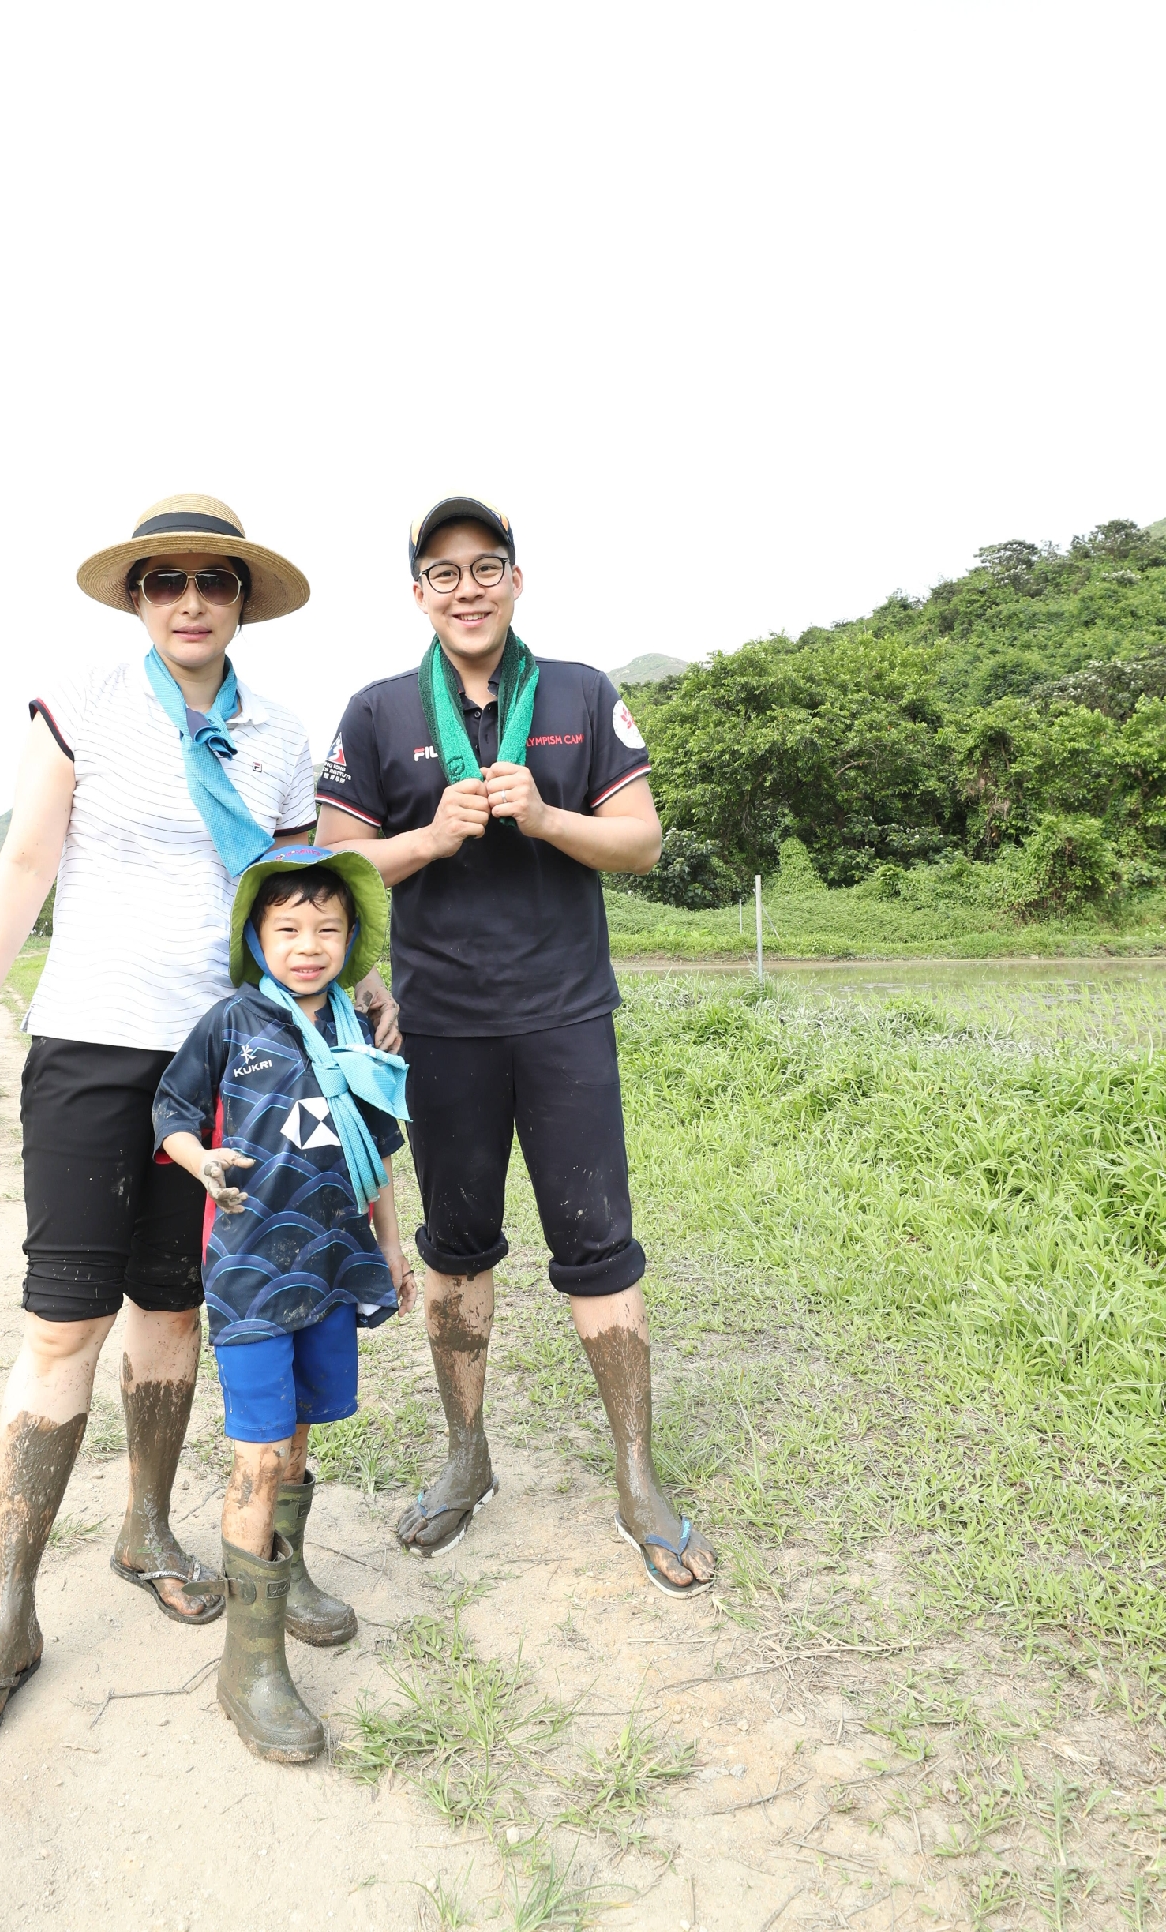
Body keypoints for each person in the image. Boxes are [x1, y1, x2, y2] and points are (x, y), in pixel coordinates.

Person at [0, 498, 400, 1761]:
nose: (190, 601)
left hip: (234, 1061)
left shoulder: (281, 734)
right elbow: (27, 861)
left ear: (244, 600)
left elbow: (294, 904)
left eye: (215, 582)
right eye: (165, 581)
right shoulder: (83, 703)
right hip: (89, 1042)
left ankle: (148, 1528)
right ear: (137, 598)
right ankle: (9, 1613)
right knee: (64, 1319)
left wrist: (346, 1003)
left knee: (183, 1309)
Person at [315, 496, 716, 1595]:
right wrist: (430, 838)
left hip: (565, 1015)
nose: (466, 588)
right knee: (455, 1249)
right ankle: (465, 1454)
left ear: (515, 579)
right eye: (441, 574)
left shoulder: (582, 695)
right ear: (419, 596)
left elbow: (640, 840)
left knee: (600, 1244)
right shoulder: (379, 711)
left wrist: (543, 819)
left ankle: (637, 1476)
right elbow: (337, 873)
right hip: (440, 1023)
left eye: (484, 566)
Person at [155, 844, 416, 1761]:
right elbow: (172, 1112)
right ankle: (249, 1665)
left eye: (328, 929)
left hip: (334, 1268)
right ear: (257, 937)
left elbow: (373, 1151)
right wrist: (202, 1163)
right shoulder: (231, 1023)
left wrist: (389, 1244)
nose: (309, 945)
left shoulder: (357, 1028)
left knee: (302, 1435)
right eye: (289, 929)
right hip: (253, 1277)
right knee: (258, 1459)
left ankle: (290, 1573)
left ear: (352, 940)